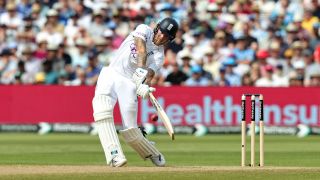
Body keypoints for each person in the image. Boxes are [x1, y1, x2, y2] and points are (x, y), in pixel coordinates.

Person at [92, 18, 178, 167]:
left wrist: (144, 85)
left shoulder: (159, 56)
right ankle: (115, 155)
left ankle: (152, 152)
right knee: (102, 110)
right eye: (162, 32)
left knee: (131, 130)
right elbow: (141, 49)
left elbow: (150, 75)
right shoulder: (144, 29)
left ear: (170, 39)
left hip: (129, 84)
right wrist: (140, 70)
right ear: (157, 28)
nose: (162, 37)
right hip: (111, 73)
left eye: (167, 36)